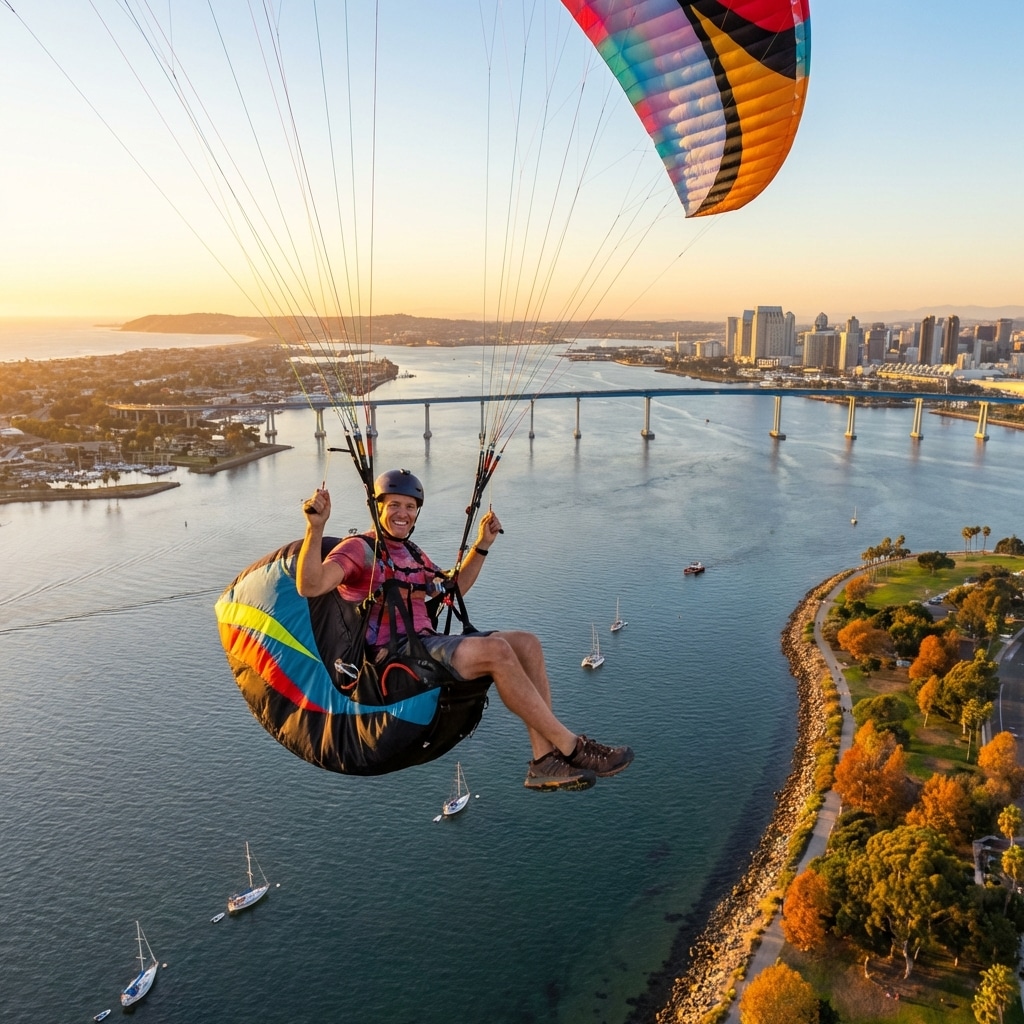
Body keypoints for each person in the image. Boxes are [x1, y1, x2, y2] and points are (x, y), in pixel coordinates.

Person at [297, 468, 633, 791]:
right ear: (378, 508)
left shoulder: (413, 553)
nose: (403, 513)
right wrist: (316, 528)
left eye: (410, 507)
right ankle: (572, 746)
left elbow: (453, 588)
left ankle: (542, 760)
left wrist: (482, 545)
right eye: (394, 505)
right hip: (393, 661)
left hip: (426, 645)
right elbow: (311, 585)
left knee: (526, 644)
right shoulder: (359, 549)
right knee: (497, 651)